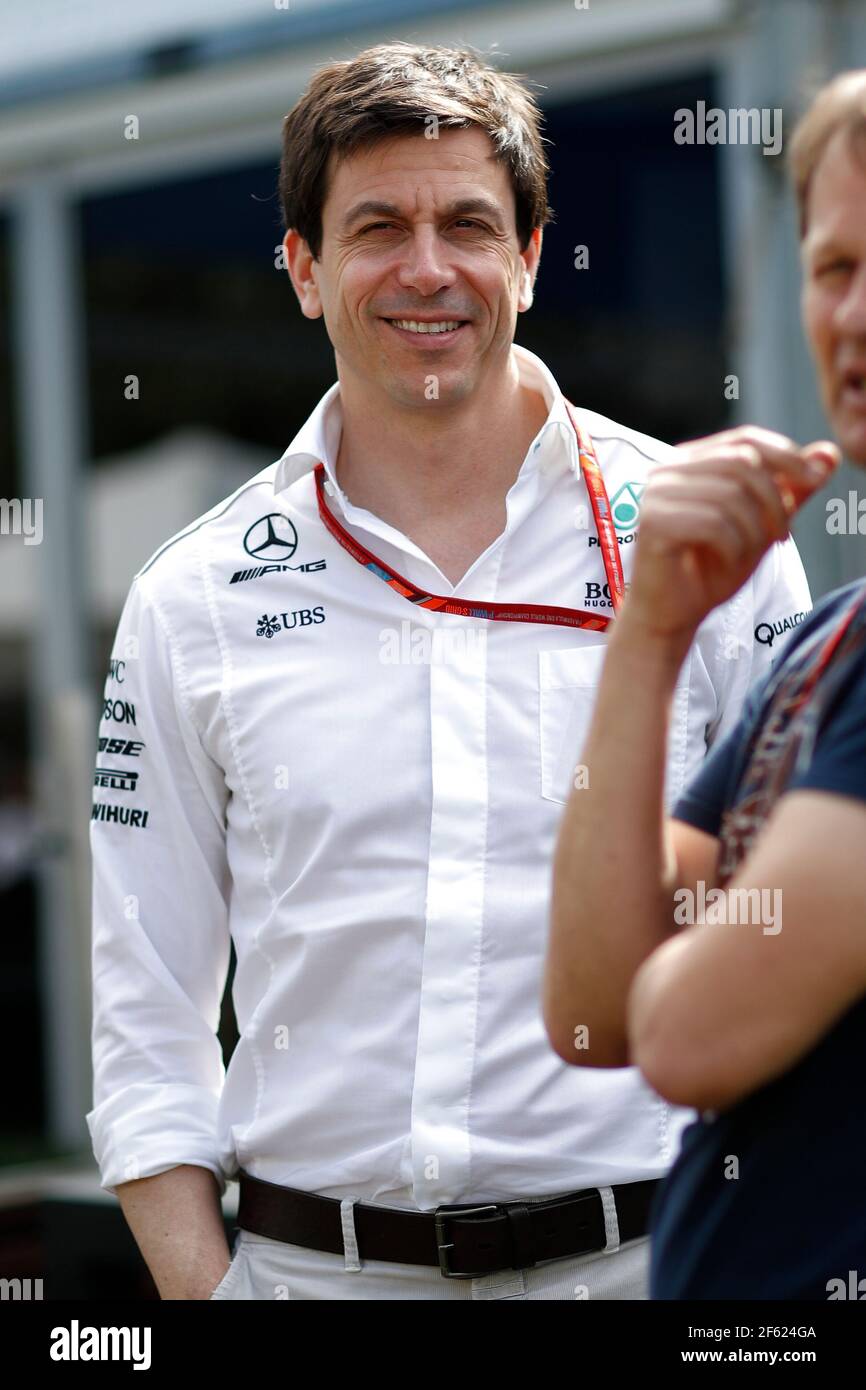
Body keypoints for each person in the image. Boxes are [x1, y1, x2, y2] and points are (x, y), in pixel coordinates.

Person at [86, 42, 810, 1302]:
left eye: (466, 223)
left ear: (527, 257)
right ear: (305, 271)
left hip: (651, 1267)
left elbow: (792, 947)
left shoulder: (707, 546)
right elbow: (144, 1026)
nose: (427, 269)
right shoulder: (190, 599)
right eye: (376, 227)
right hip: (313, 1278)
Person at [543, 68, 866, 1300]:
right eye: (832, 268)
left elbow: (682, 1032)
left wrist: (701, 940)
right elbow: (588, 1010)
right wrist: (649, 630)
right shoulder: (824, 640)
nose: (852, 312)